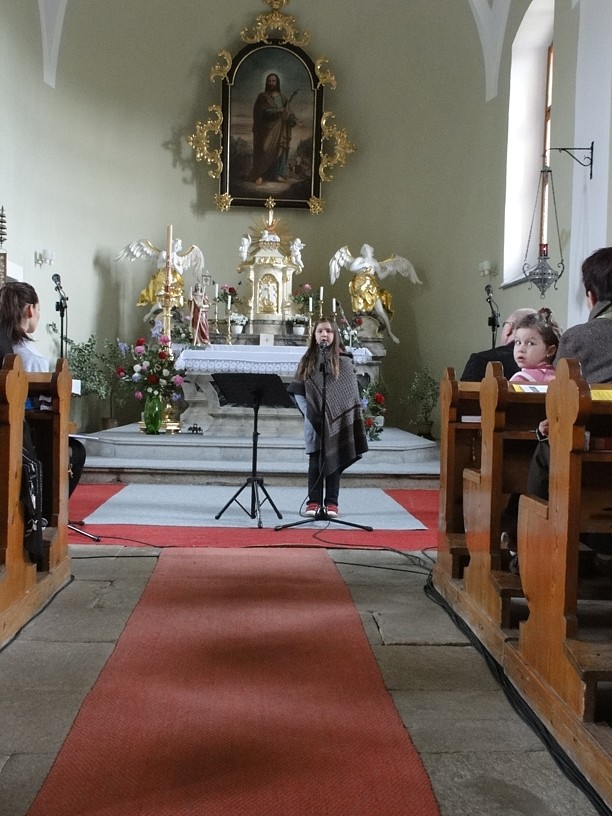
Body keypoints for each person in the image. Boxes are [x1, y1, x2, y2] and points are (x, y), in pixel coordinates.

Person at [505, 248, 612, 568]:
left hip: (593, 453)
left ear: (591, 296)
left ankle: (533, 553)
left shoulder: (580, 337)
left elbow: (561, 402)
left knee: (548, 447)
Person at [0, 281, 86, 497]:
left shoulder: (5, 346)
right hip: (24, 435)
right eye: (38, 309)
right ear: (30, 310)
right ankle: (48, 507)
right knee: (75, 450)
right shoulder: (32, 357)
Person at [288, 316, 368, 518]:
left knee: (336, 460)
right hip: (314, 422)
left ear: (335, 335)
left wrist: (339, 417)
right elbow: (299, 392)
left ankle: (332, 503)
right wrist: (311, 415)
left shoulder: (345, 362)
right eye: (320, 331)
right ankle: (313, 502)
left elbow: (350, 394)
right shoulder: (307, 361)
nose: (324, 334)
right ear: (314, 335)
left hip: (339, 422)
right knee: (315, 461)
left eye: (328, 331)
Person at [460, 307, 537, 381]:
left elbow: (464, 389)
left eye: (504, 325)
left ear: (509, 329)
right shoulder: (542, 363)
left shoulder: (480, 360)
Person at [250, 73, 297, 185]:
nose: (271, 83)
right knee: (264, 149)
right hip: (265, 130)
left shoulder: (283, 98)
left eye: (273, 81)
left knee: (280, 149)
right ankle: (261, 175)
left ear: (277, 83)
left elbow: (289, 112)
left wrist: (293, 120)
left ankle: (278, 174)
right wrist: (276, 111)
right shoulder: (262, 97)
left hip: (280, 129)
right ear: (267, 82)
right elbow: (260, 112)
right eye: (269, 81)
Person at [508, 307, 562, 385]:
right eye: (518, 342)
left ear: (550, 351)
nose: (521, 349)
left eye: (530, 343)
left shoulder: (521, 378)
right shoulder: (558, 376)